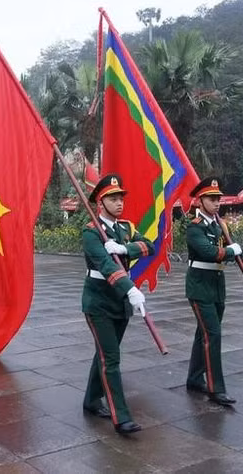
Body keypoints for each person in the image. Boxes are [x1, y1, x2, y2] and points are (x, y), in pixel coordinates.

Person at [81, 174, 154, 436]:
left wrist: (125, 249)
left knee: (104, 353)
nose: (119, 202)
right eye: (113, 198)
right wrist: (131, 289)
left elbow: (149, 246)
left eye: (121, 197)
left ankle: (91, 400)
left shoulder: (126, 229)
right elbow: (105, 266)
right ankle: (121, 416)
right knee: (111, 358)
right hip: (99, 301)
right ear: (100, 202)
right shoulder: (91, 232)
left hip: (120, 302)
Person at [185, 177, 243, 406]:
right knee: (213, 335)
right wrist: (229, 251)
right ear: (200, 201)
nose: (217, 203)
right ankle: (215, 388)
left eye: (218, 199)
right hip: (199, 287)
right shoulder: (194, 226)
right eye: (212, 199)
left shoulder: (221, 226)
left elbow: (241, 252)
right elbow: (208, 252)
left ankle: (195, 378)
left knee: (204, 334)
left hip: (217, 286)